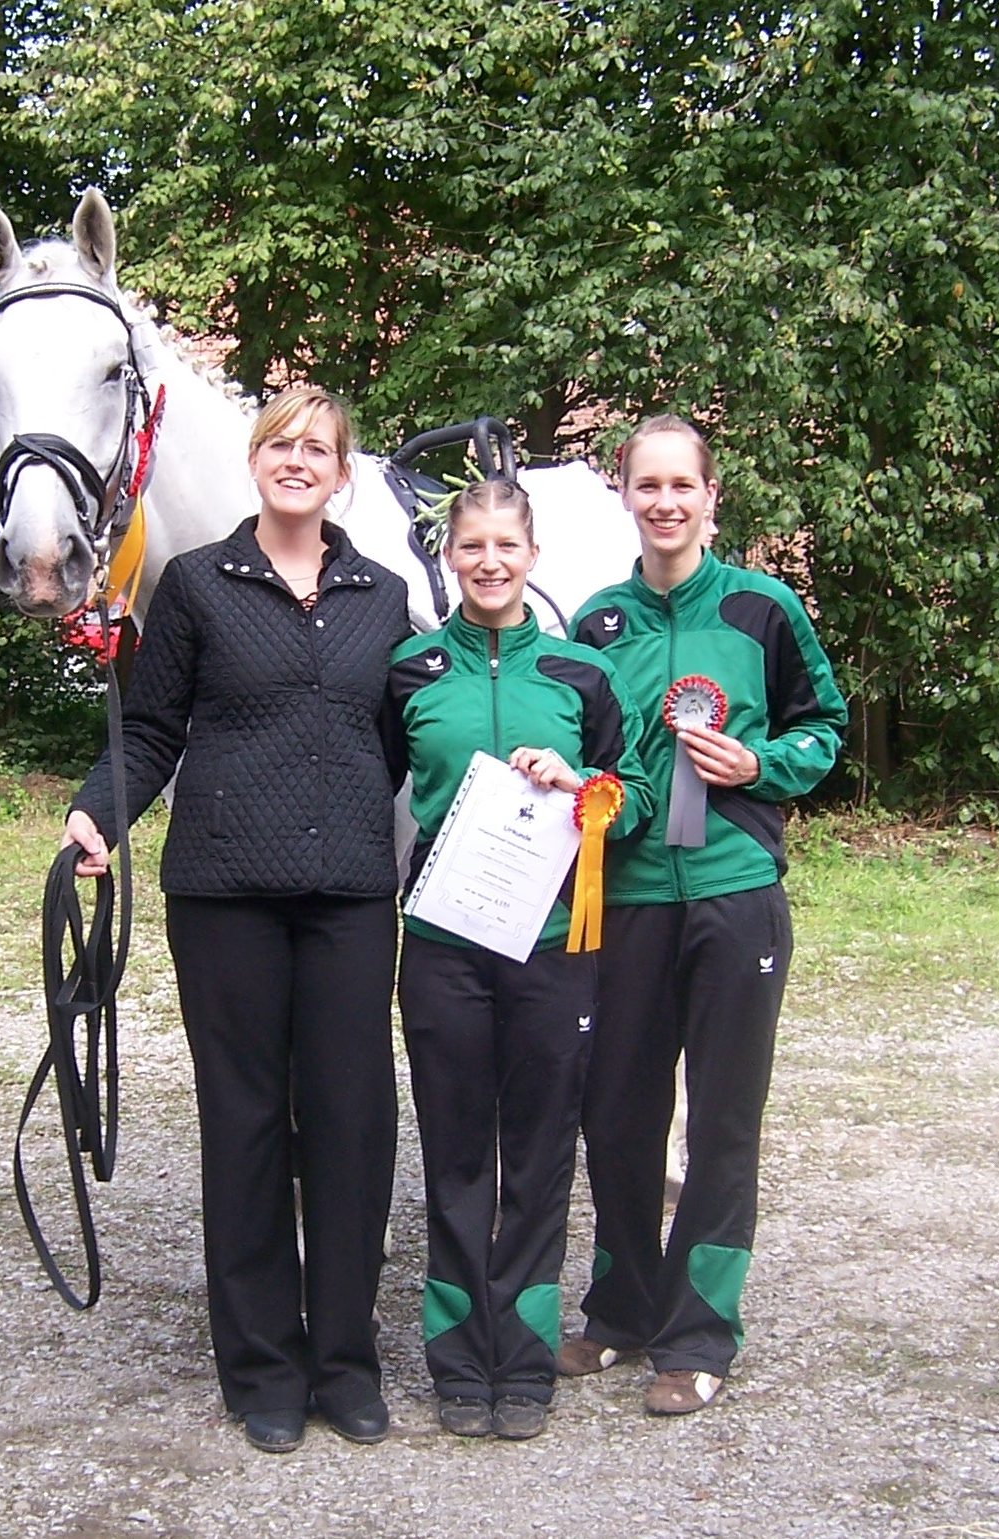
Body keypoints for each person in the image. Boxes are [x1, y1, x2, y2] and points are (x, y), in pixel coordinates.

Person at [63, 386, 411, 1453]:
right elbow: (152, 728)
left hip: (349, 895)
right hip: (226, 898)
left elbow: (405, 739)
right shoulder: (197, 585)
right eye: (281, 444)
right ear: (256, 461)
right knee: (247, 1122)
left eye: (318, 448)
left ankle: (344, 1361)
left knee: (352, 1122)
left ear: (341, 474)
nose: (298, 460)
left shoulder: (384, 595)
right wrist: (99, 809)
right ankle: (262, 1366)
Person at [563, 414, 847, 1414]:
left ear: (710, 497)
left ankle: (698, 1332)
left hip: (733, 893)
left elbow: (824, 725)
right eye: (647, 485)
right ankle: (620, 1309)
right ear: (624, 495)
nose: (665, 502)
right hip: (627, 900)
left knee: (721, 1121)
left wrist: (759, 763)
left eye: (682, 485)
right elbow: (581, 751)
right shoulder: (596, 624)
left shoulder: (763, 609)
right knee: (616, 1114)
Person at [382, 479, 654, 1440]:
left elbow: (634, 795)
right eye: (471, 546)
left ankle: (525, 1356)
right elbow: (366, 784)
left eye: (506, 545)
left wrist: (582, 784)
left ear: (533, 557)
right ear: (448, 558)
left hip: (552, 947)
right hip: (443, 947)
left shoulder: (582, 673)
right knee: (456, 1151)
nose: (489, 562)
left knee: (539, 1151)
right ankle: (460, 1358)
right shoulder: (409, 670)